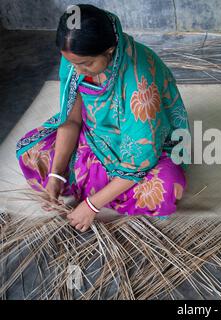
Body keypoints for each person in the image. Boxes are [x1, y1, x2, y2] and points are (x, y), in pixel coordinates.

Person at [16, 4, 190, 232]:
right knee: (31, 152)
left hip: (142, 149)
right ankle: (101, 188)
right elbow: (71, 121)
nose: (76, 71)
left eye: (86, 64)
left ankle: (96, 191)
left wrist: (91, 205)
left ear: (109, 50)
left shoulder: (140, 81)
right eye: (72, 63)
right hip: (94, 136)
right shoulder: (75, 58)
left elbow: (140, 161)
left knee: (167, 187)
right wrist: (56, 174)